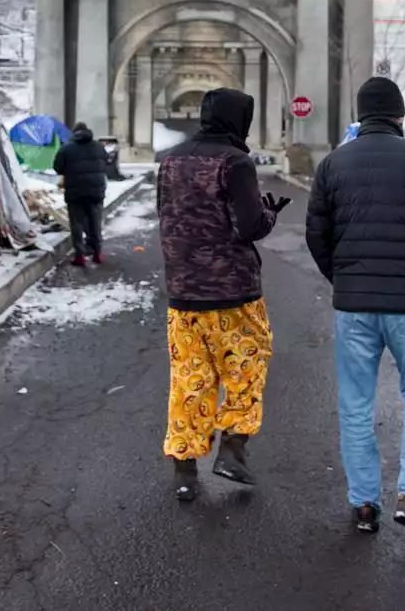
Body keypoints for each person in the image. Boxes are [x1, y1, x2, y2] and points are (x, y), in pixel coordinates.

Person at [305, 77, 405, 538]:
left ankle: (363, 506)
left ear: (361, 116)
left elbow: (318, 234)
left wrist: (345, 280)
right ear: (400, 116)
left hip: (354, 305)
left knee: (355, 403)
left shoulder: (333, 164)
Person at [156, 88, 291, 501]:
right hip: (235, 294)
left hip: (183, 293)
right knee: (244, 370)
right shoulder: (235, 161)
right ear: (240, 120)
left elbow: (168, 216)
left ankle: (184, 470)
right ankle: (232, 450)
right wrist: (270, 214)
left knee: (189, 379)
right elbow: (249, 227)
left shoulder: (170, 159)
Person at [53, 121, 109, 267]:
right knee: (95, 222)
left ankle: (80, 256)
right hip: (96, 191)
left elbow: (58, 168)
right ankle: (97, 253)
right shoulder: (99, 147)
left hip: (75, 192)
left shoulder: (66, 149)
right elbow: (106, 163)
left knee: (76, 224)